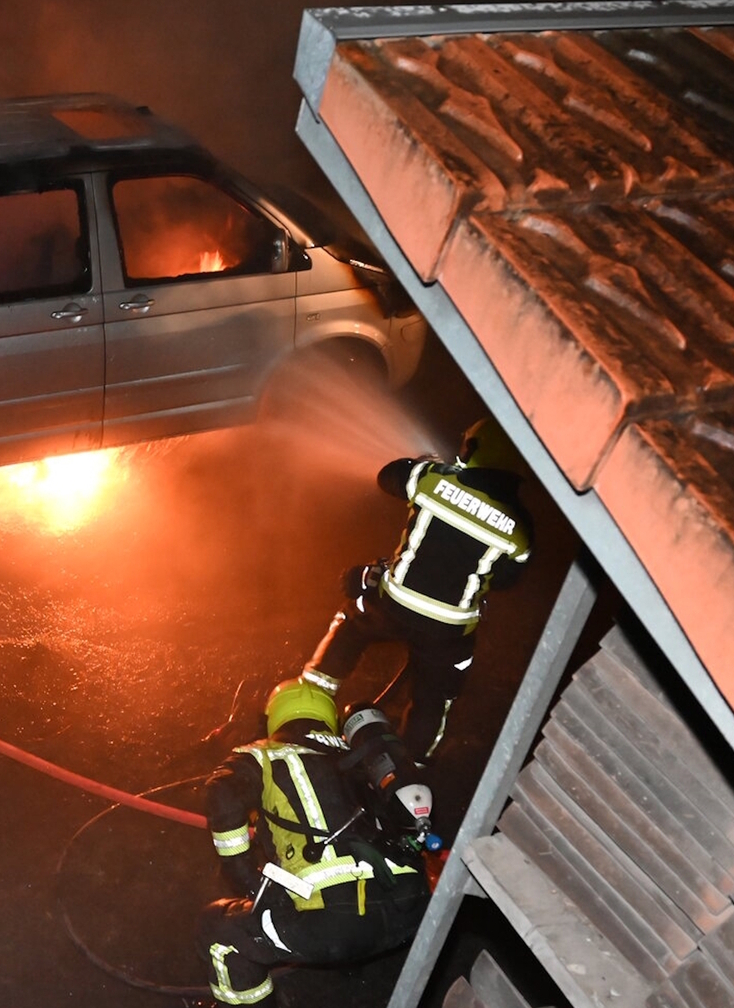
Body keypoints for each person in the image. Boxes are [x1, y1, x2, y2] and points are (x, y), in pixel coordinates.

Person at [301, 417, 533, 761]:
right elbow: (505, 580)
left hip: (394, 605)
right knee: (435, 697)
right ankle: (412, 765)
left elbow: (388, 476)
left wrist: (425, 463)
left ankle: (307, 706)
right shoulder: (521, 528)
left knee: (353, 622)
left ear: (472, 448)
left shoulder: (432, 478)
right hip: (450, 630)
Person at [198, 680, 431, 1006]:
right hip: (413, 911)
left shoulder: (262, 753)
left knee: (218, 933)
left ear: (275, 717)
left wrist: (246, 878)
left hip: (331, 925)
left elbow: (223, 793)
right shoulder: (366, 757)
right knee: (359, 922)